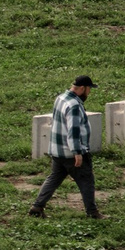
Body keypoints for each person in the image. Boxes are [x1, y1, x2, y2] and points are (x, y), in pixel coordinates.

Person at [28, 75, 101, 220]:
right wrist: (77, 152)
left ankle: (37, 207)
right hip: (71, 152)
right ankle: (92, 213)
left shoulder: (61, 98)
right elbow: (73, 130)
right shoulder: (73, 105)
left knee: (54, 178)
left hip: (57, 150)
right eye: (89, 89)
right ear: (82, 88)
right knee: (86, 180)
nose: (89, 93)